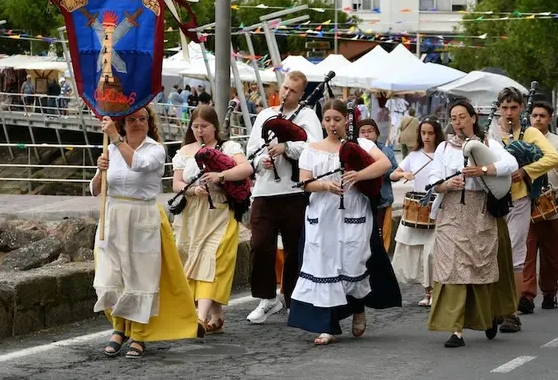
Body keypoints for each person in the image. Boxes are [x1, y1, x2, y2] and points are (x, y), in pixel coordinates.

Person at [90, 105, 202, 359]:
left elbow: (139, 164)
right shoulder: (110, 150)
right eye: (132, 119)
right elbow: (95, 190)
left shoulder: (155, 150)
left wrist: (116, 138)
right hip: (113, 215)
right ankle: (119, 328)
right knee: (113, 275)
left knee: (141, 277)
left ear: (150, 123)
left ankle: (139, 334)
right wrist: (100, 171)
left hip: (141, 215)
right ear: (124, 122)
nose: (138, 123)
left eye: (143, 119)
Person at [287, 99, 401, 345]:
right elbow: (305, 182)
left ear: (346, 120)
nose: (332, 124)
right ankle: (327, 326)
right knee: (324, 265)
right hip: (323, 214)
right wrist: (325, 186)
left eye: (337, 119)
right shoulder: (311, 149)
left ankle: (358, 307)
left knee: (352, 263)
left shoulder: (361, 144)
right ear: (322, 122)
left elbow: (384, 164)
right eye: (327, 119)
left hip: (353, 211)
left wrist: (359, 174)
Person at [427, 101, 518, 348]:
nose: (458, 122)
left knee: (478, 267)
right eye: (453, 118)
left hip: (479, 212)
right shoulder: (444, 147)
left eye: (462, 117)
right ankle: (456, 330)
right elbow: (434, 179)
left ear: (473, 118)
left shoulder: (488, 143)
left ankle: (488, 317)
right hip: (451, 212)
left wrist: (484, 170)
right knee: (452, 268)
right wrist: (447, 184)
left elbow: (511, 164)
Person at [245, 70, 323, 323]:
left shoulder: (307, 116)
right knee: (260, 245)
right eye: (285, 88)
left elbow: (314, 147)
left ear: (301, 94)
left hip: (294, 191)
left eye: (293, 91)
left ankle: (292, 298)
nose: (287, 93)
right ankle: (267, 298)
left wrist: (286, 147)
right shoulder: (265, 115)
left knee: (294, 248)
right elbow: (251, 151)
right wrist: (261, 161)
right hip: (264, 191)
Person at [172, 105, 253, 334]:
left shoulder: (228, 148)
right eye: (196, 126)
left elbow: (246, 168)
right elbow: (176, 183)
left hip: (219, 211)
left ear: (214, 126)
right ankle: (216, 316)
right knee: (193, 260)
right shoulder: (185, 151)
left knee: (210, 260)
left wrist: (221, 175)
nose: (200, 131)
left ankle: (200, 318)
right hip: (192, 214)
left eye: (204, 126)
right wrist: (191, 190)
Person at [491, 88, 558, 332]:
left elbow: (553, 158)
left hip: (518, 200)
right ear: (499, 109)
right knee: (490, 255)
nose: (509, 113)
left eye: (514, 107)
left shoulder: (530, 132)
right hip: (491, 201)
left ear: (521, 108)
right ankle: (491, 308)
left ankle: (511, 313)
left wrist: (526, 171)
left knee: (515, 256)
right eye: (505, 108)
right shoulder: (490, 133)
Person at [519, 102, 558, 313]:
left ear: (550, 118)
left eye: (542, 116)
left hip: (554, 207)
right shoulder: (522, 140)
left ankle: (550, 293)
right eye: (534, 115)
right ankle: (526, 296)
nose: (538, 119)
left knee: (551, 255)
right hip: (528, 206)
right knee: (526, 254)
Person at [390, 116, 444, 306]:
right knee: (418, 253)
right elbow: (393, 175)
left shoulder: (442, 154)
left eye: (430, 133)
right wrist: (403, 173)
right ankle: (427, 292)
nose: (426, 137)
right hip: (417, 207)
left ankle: (436, 291)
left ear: (436, 134)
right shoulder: (414, 155)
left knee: (432, 253)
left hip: (438, 206)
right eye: (423, 133)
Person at [357, 119, 398, 252]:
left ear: (377, 134)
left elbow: (394, 171)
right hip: (360, 200)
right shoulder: (355, 150)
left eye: (370, 131)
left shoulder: (386, 151)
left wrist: (379, 171)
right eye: (362, 132)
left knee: (380, 235)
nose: (366, 135)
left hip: (382, 199)